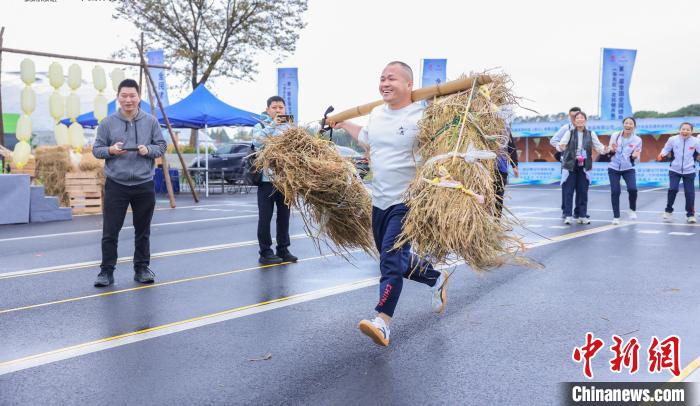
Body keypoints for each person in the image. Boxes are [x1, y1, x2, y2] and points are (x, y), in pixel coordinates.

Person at [333, 61, 450, 347]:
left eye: (392, 79)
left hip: (407, 202)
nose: (385, 83)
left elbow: (443, 147)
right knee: (394, 258)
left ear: (409, 85)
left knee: (389, 261)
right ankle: (435, 277)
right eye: (382, 78)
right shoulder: (376, 113)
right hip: (380, 201)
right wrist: (342, 121)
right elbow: (366, 138)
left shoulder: (422, 116)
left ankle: (383, 321)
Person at [92, 79, 167, 287]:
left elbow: (161, 146)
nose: (128, 100)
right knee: (110, 230)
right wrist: (110, 150)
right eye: (124, 96)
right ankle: (106, 271)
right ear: (118, 97)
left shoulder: (150, 121)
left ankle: (141, 268)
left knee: (143, 230)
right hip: (117, 184)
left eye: (132, 96)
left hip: (144, 184)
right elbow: (97, 149)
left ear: (138, 97)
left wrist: (148, 150)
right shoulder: (107, 123)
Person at [252, 96, 298, 265]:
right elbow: (257, 143)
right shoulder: (260, 126)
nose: (278, 110)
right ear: (267, 109)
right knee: (265, 217)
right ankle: (265, 252)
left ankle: (283, 249)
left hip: (285, 180)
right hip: (266, 181)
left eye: (281, 108)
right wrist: (273, 124)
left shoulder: (290, 128)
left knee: (284, 217)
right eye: (274, 107)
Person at [557, 111, 608, 225]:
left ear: (585, 120)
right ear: (574, 121)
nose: (580, 120)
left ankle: (582, 215)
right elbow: (561, 145)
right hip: (570, 164)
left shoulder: (591, 133)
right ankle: (568, 215)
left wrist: (606, 149)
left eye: (582, 118)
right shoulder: (569, 133)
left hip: (585, 165)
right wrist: (561, 146)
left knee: (583, 191)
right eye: (577, 118)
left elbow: (599, 147)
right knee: (569, 191)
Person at [657, 122, 699, 223]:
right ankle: (668, 211)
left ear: (691, 131)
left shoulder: (696, 141)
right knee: (673, 189)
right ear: (680, 130)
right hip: (674, 170)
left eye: (688, 130)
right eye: (683, 129)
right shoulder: (673, 139)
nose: (685, 131)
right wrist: (661, 154)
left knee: (689, 193)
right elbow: (666, 149)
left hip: (689, 171)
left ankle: (690, 215)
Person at [607, 117, 642, 225]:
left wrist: (636, 156)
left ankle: (632, 210)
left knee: (633, 189)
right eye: (626, 123)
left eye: (630, 123)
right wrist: (611, 149)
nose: (628, 125)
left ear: (634, 126)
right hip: (613, 167)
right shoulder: (615, 135)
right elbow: (609, 150)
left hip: (628, 168)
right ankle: (616, 216)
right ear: (623, 125)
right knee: (615, 191)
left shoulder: (637, 140)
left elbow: (637, 156)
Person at [550, 107, 582, 218]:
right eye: (572, 116)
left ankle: (578, 211)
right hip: (567, 162)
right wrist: (562, 147)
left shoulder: (585, 128)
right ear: (569, 116)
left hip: (581, 162)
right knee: (567, 188)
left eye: (576, 116)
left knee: (580, 188)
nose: (574, 118)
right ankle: (565, 210)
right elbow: (553, 140)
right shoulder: (565, 128)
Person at [495, 126, 519, 217]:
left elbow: (512, 148)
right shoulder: (484, 124)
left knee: (499, 195)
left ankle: (496, 220)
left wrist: (515, 165)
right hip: (486, 167)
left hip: (501, 166)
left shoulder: (506, 129)